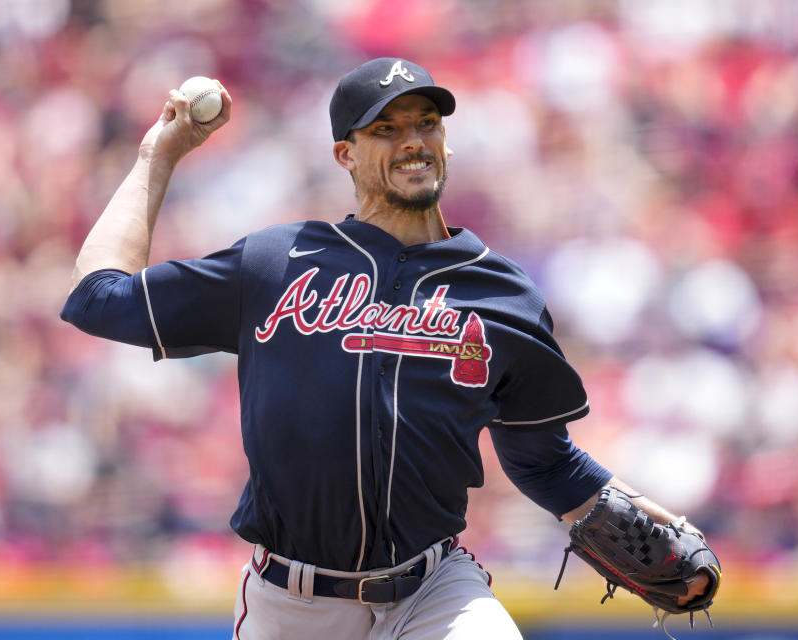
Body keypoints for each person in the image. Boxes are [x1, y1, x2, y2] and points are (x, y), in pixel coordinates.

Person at [61, 57, 711, 640]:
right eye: (387, 129)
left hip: (431, 591)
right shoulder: (276, 263)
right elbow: (98, 298)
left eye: (426, 124)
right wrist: (158, 156)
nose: (413, 142)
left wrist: (616, 502)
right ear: (346, 154)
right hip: (292, 606)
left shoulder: (503, 293)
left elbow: (540, 460)